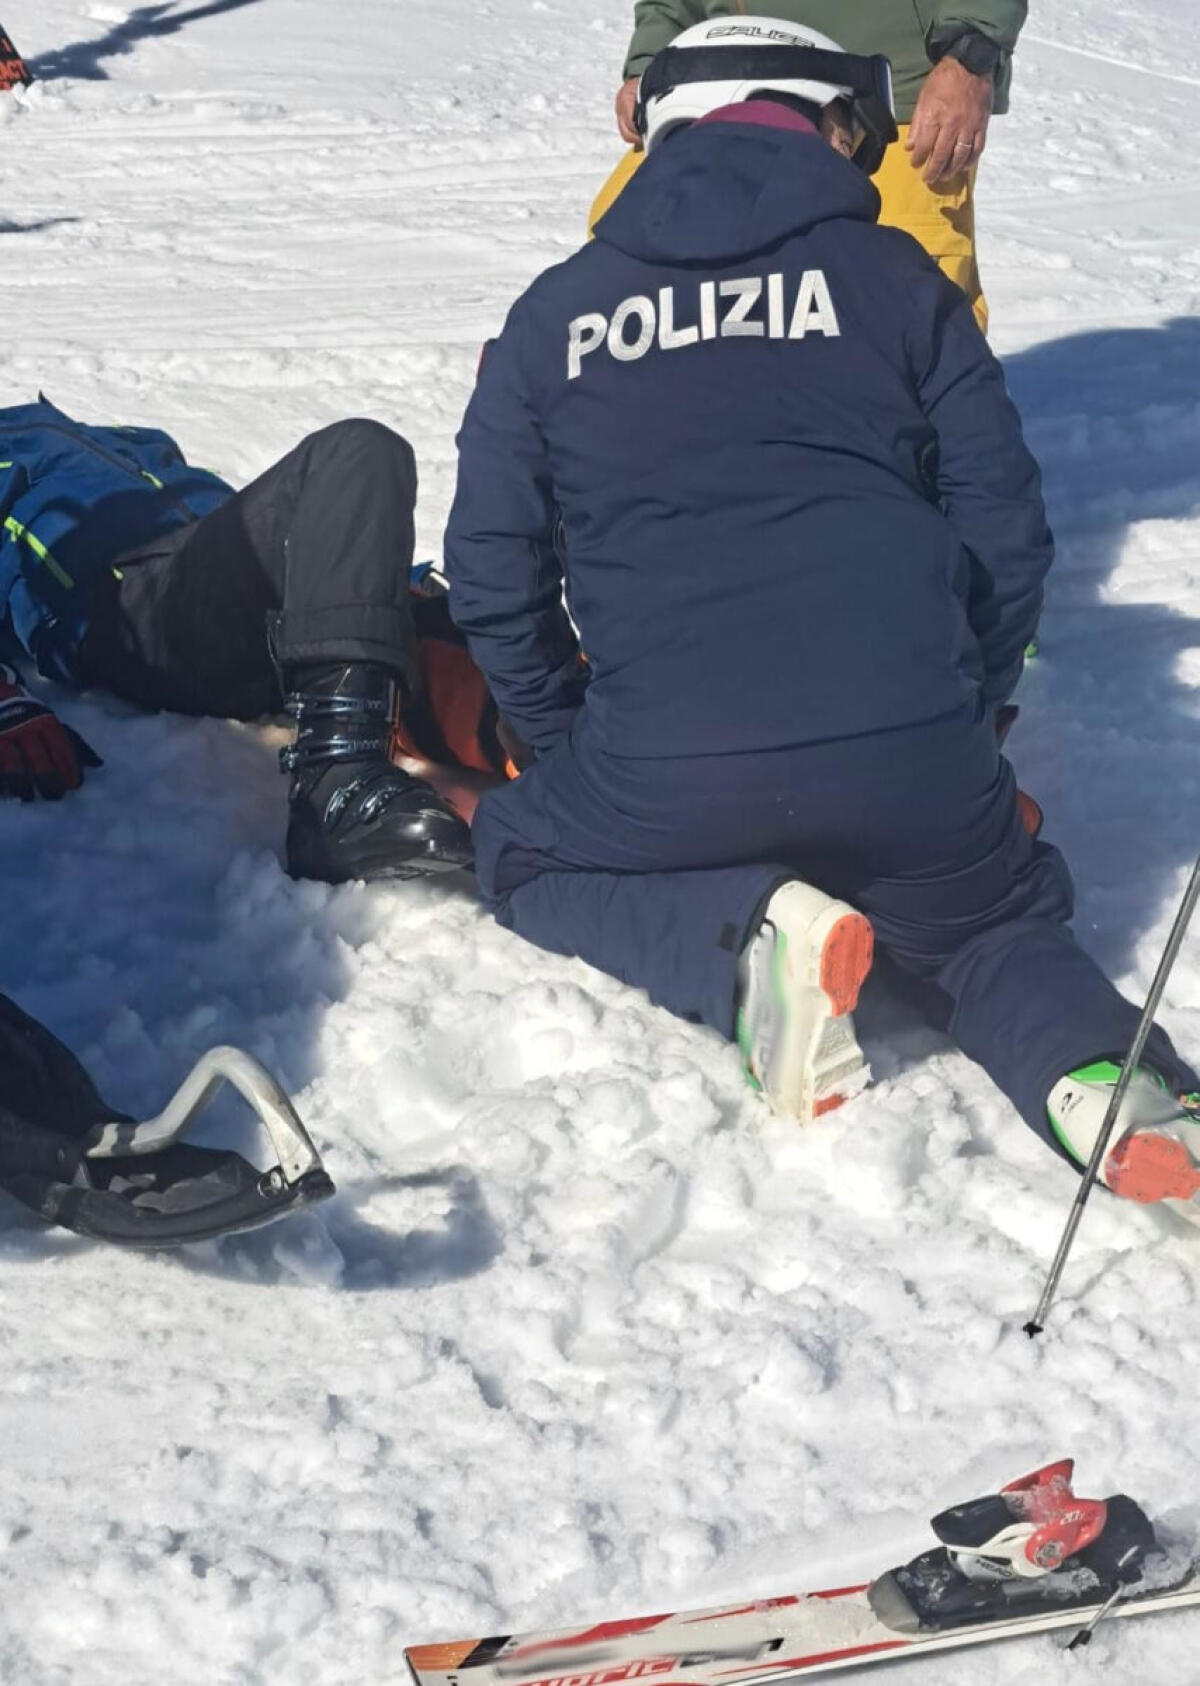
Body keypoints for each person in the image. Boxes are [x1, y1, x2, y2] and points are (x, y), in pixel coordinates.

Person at [444, 28, 1200, 1215]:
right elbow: (1006, 524)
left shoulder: (555, 316)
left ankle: (750, 945)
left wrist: (560, 733)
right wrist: (976, 709)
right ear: (835, 126)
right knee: (988, 925)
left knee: (522, 847)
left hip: (664, 767)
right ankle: (1113, 1085)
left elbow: (489, 568)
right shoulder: (899, 280)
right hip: (912, 755)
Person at [0, 399, 474, 883]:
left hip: (241, 586)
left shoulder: (125, 435)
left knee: (481, 644)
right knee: (358, 449)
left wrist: (386, 579)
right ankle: (335, 791)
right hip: (132, 604)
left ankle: (542, 766)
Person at [593, 8, 1029, 333]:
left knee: (905, 307)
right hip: (716, 83)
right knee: (624, 259)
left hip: (880, 104)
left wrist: (971, 57)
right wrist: (651, 58)